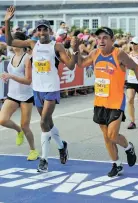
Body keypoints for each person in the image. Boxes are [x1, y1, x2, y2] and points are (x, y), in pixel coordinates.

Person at [4, 6, 79, 172]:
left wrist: (75, 49)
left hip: (51, 88)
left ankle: (44, 160)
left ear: (50, 31)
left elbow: (72, 66)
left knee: (44, 122)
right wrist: (7, 22)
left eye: (45, 28)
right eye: (40, 29)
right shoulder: (32, 44)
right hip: (37, 90)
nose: (42, 31)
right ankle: (61, 145)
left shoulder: (56, 47)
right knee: (49, 123)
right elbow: (10, 42)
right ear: (37, 32)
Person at [78, 27, 138, 177]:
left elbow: (135, 68)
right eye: (99, 38)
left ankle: (128, 147)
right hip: (100, 102)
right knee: (106, 137)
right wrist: (77, 50)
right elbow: (81, 64)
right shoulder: (95, 53)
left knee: (112, 135)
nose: (101, 41)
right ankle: (117, 164)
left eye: (105, 38)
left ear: (112, 40)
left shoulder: (118, 54)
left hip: (116, 101)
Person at [0, 32, 39, 161]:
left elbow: (28, 80)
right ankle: (18, 131)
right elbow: (11, 74)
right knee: (2, 120)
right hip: (12, 95)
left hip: (26, 96)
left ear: (21, 43)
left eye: (15, 40)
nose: (12, 43)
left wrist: (11, 76)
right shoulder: (11, 56)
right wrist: (6, 76)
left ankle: (33, 150)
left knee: (25, 125)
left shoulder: (27, 58)